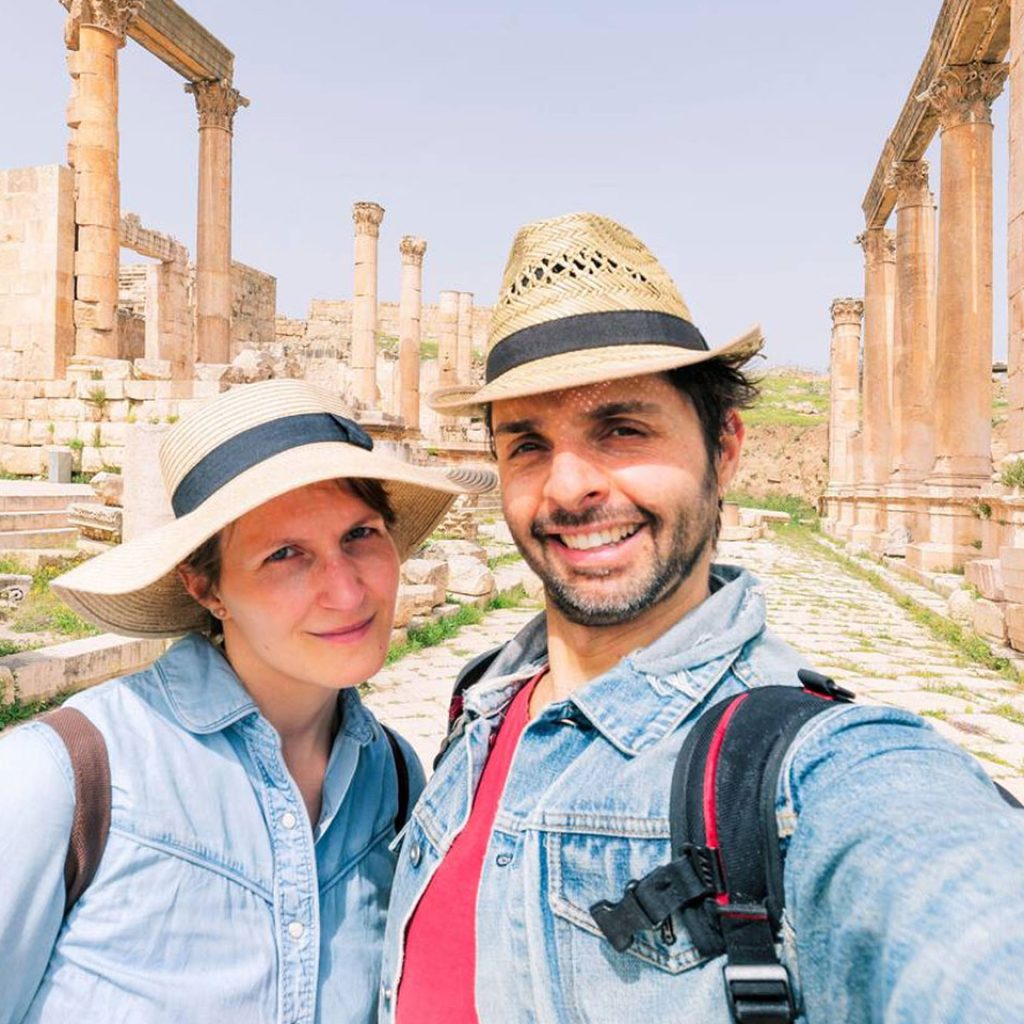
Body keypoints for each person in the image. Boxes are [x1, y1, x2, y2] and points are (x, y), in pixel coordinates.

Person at [380, 212, 1024, 1023]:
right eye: (528, 443)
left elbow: (955, 909)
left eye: (621, 428)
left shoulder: (812, 777)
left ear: (724, 449)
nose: (569, 485)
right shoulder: (483, 703)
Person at [0, 378, 492, 1023]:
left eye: (360, 535)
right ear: (206, 588)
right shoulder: (64, 779)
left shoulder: (396, 778)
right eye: (285, 554)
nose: (347, 593)